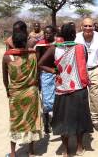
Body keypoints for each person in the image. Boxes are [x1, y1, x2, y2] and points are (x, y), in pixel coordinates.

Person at [38, 23, 93, 156]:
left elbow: (40, 64)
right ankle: (80, 147)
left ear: (61, 35)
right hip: (79, 88)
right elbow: (83, 64)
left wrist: (53, 70)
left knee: (62, 120)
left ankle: (66, 150)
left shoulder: (54, 48)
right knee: (79, 118)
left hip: (61, 89)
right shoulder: (81, 48)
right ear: (74, 35)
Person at [2, 28, 43, 157]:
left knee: (15, 122)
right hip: (31, 93)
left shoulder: (7, 56)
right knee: (31, 121)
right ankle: (31, 151)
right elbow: (37, 74)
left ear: (13, 41)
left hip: (16, 93)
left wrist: (8, 91)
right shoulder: (33, 54)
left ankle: (13, 153)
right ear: (26, 41)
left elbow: (5, 78)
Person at [75, 17, 98, 131]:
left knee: (95, 95)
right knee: (80, 95)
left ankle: (95, 119)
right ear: (81, 27)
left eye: (90, 26)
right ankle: (82, 118)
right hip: (80, 70)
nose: (88, 28)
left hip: (95, 69)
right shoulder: (76, 38)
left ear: (93, 27)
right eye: (86, 26)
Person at [35, 25, 57, 134]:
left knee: (57, 98)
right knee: (46, 100)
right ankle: (46, 124)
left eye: (49, 33)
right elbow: (38, 62)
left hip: (57, 73)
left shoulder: (57, 43)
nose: (47, 35)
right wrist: (38, 78)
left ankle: (55, 122)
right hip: (45, 74)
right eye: (45, 33)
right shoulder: (40, 45)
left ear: (54, 33)